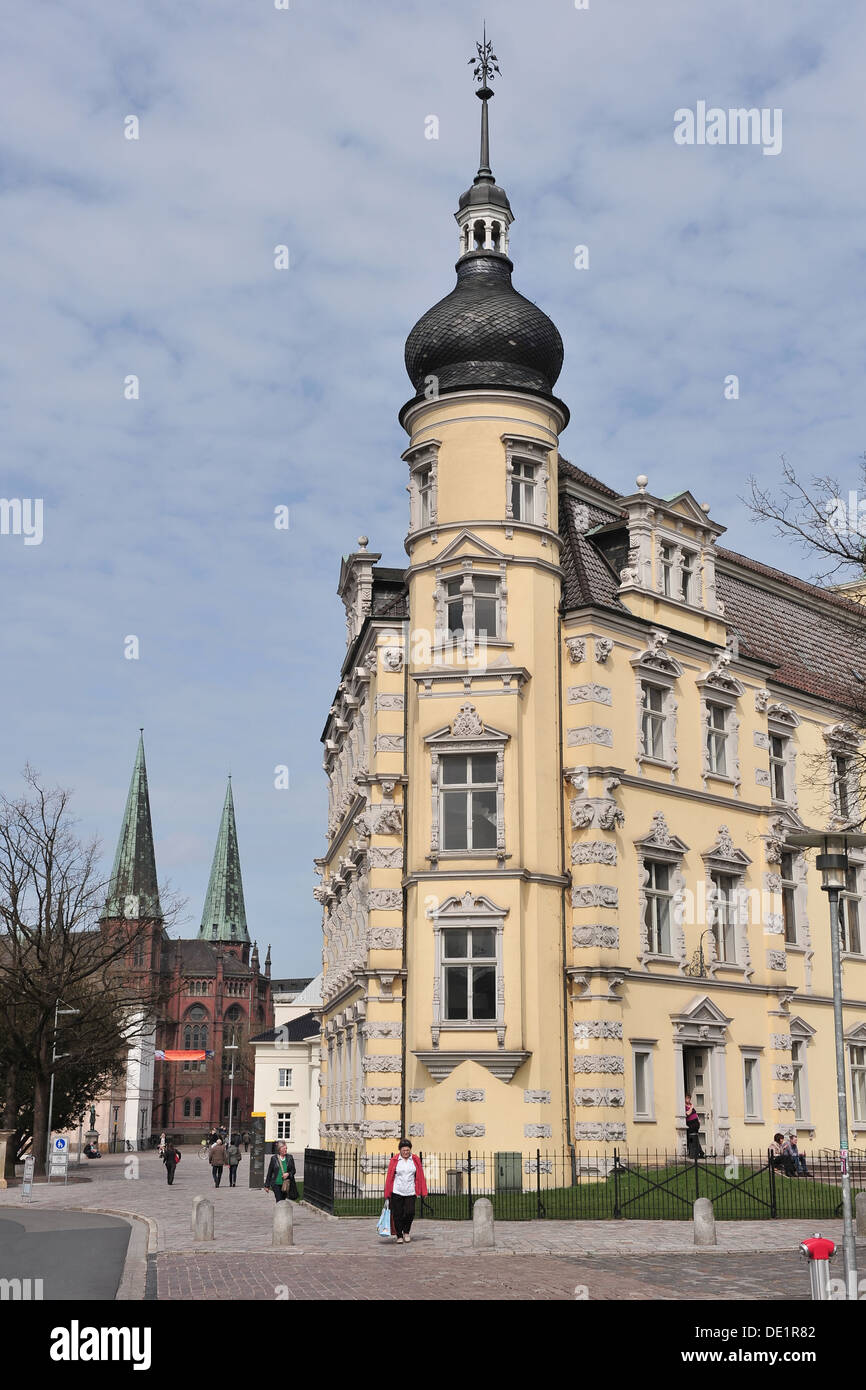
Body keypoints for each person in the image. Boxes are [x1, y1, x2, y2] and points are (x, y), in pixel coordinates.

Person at [383, 1139, 428, 1243]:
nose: (406, 1152)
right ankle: (399, 1235)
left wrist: (423, 1191)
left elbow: (420, 1176)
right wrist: (388, 1192)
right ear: (400, 1150)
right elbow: (389, 1177)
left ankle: (406, 1231)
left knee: (410, 1212)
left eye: (407, 1150)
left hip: (410, 1191)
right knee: (397, 1214)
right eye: (403, 1150)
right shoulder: (395, 1160)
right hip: (397, 1190)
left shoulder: (415, 1159)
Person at [684, 1094, 704, 1159]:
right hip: (691, 1123)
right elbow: (687, 1113)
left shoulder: (691, 1105)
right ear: (684, 1099)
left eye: (689, 1098)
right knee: (692, 1138)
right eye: (687, 1098)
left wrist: (698, 1119)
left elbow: (695, 1113)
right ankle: (694, 1152)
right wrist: (691, 1108)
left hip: (696, 1123)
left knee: (696, 1138)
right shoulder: (684, 1106)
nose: (688, 1099)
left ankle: (699, 1152)